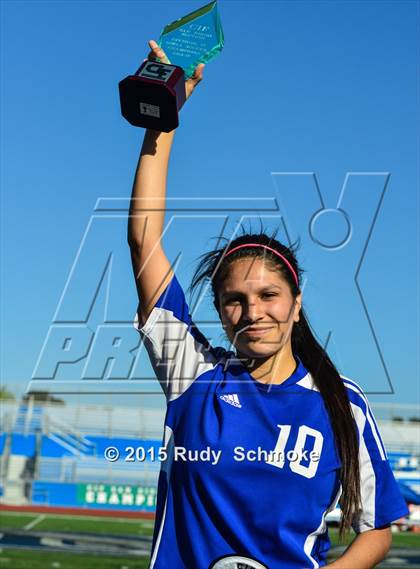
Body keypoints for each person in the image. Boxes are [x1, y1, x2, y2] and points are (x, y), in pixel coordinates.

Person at [128, 40, 409, 569]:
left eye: (268, 295)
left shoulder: (340, 403)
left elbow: (376, 530)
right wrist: (161, 122)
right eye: (233, 300)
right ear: (217, 309)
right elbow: (144, 241)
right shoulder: (193, 375)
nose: (253, 311)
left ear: (296, 304)